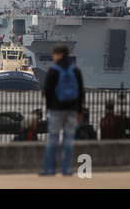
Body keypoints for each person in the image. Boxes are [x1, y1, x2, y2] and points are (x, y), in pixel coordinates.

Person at [41, 45, 84, 176]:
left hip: (56, 109)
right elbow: (81, 92)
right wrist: (79, 111)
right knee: (68, 139)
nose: (53, 57)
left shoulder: (53, 70)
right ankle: (66, 169)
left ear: (59, 54)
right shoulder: (75, 70)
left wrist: (48, 106)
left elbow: (47, 91)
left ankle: (49, 169)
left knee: (53, 138)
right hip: (72, 110)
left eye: (54, 54)